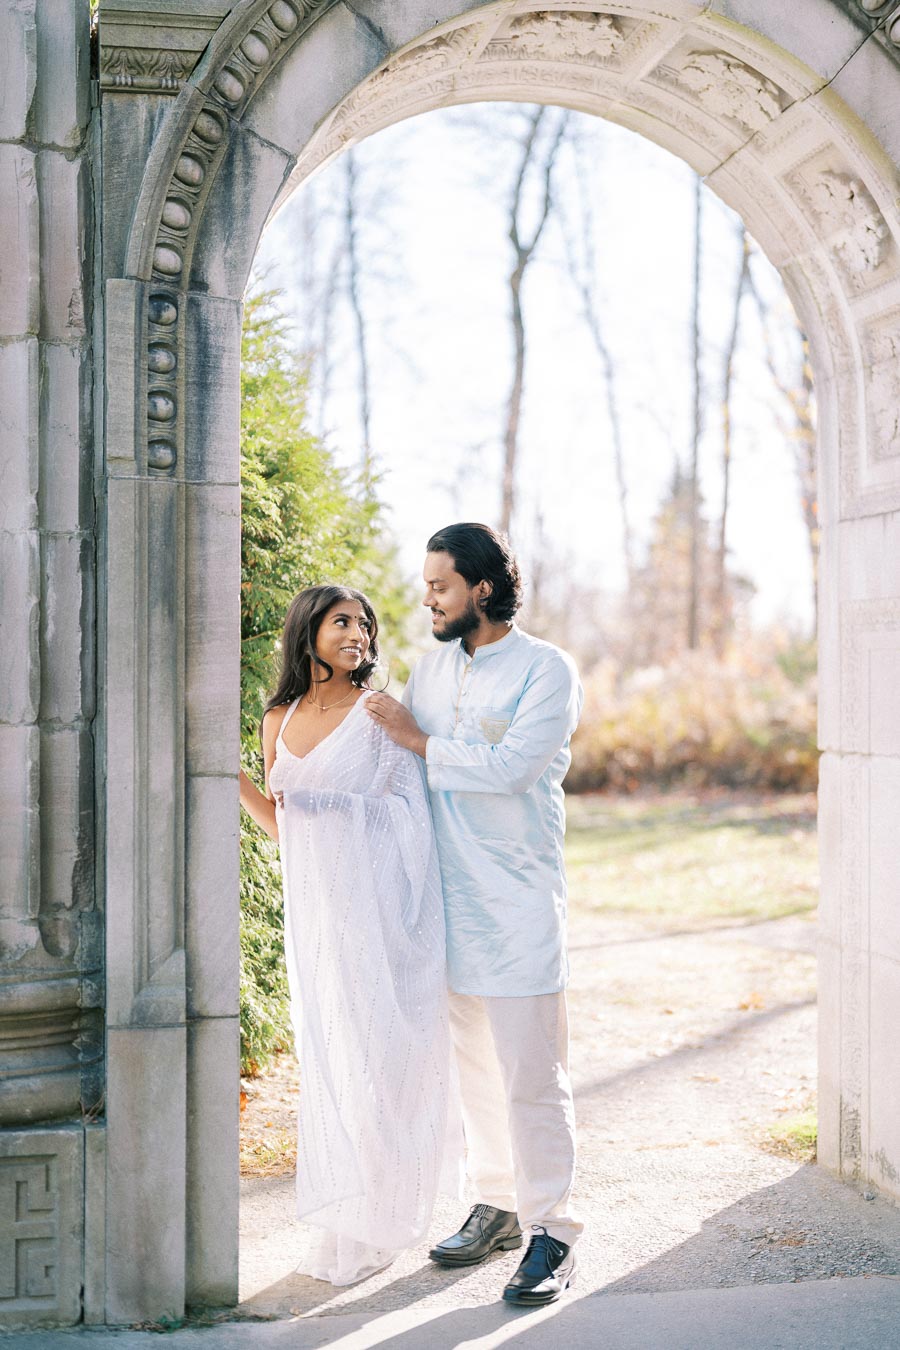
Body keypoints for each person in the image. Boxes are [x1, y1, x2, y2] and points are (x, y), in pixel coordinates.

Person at [366, 522, 584, 1307]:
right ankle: (496, 1204)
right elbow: (393, 768)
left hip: (518, 905)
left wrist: (420, 741)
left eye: (440, 586)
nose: (427, 598)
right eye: (427, 585)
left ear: (482, 589)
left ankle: (553, 1230)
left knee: (533, 1077)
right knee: (475, 1074)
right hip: (446, 909)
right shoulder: (429, 671)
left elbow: (511, 769)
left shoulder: (546, 671)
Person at [238, 584, 455, 1286]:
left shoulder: (378, 713)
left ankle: (384, 1216)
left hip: (385, 912)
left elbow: (409, 816)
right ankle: (350, 1212)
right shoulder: (280, 716)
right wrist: (234, 781)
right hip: (321, 917)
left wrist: (327, 804)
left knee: (383, 1061)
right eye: (341, 621)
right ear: (309, 633)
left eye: (364, 622)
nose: (357, 632)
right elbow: (283, 827)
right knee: (335, 1062)